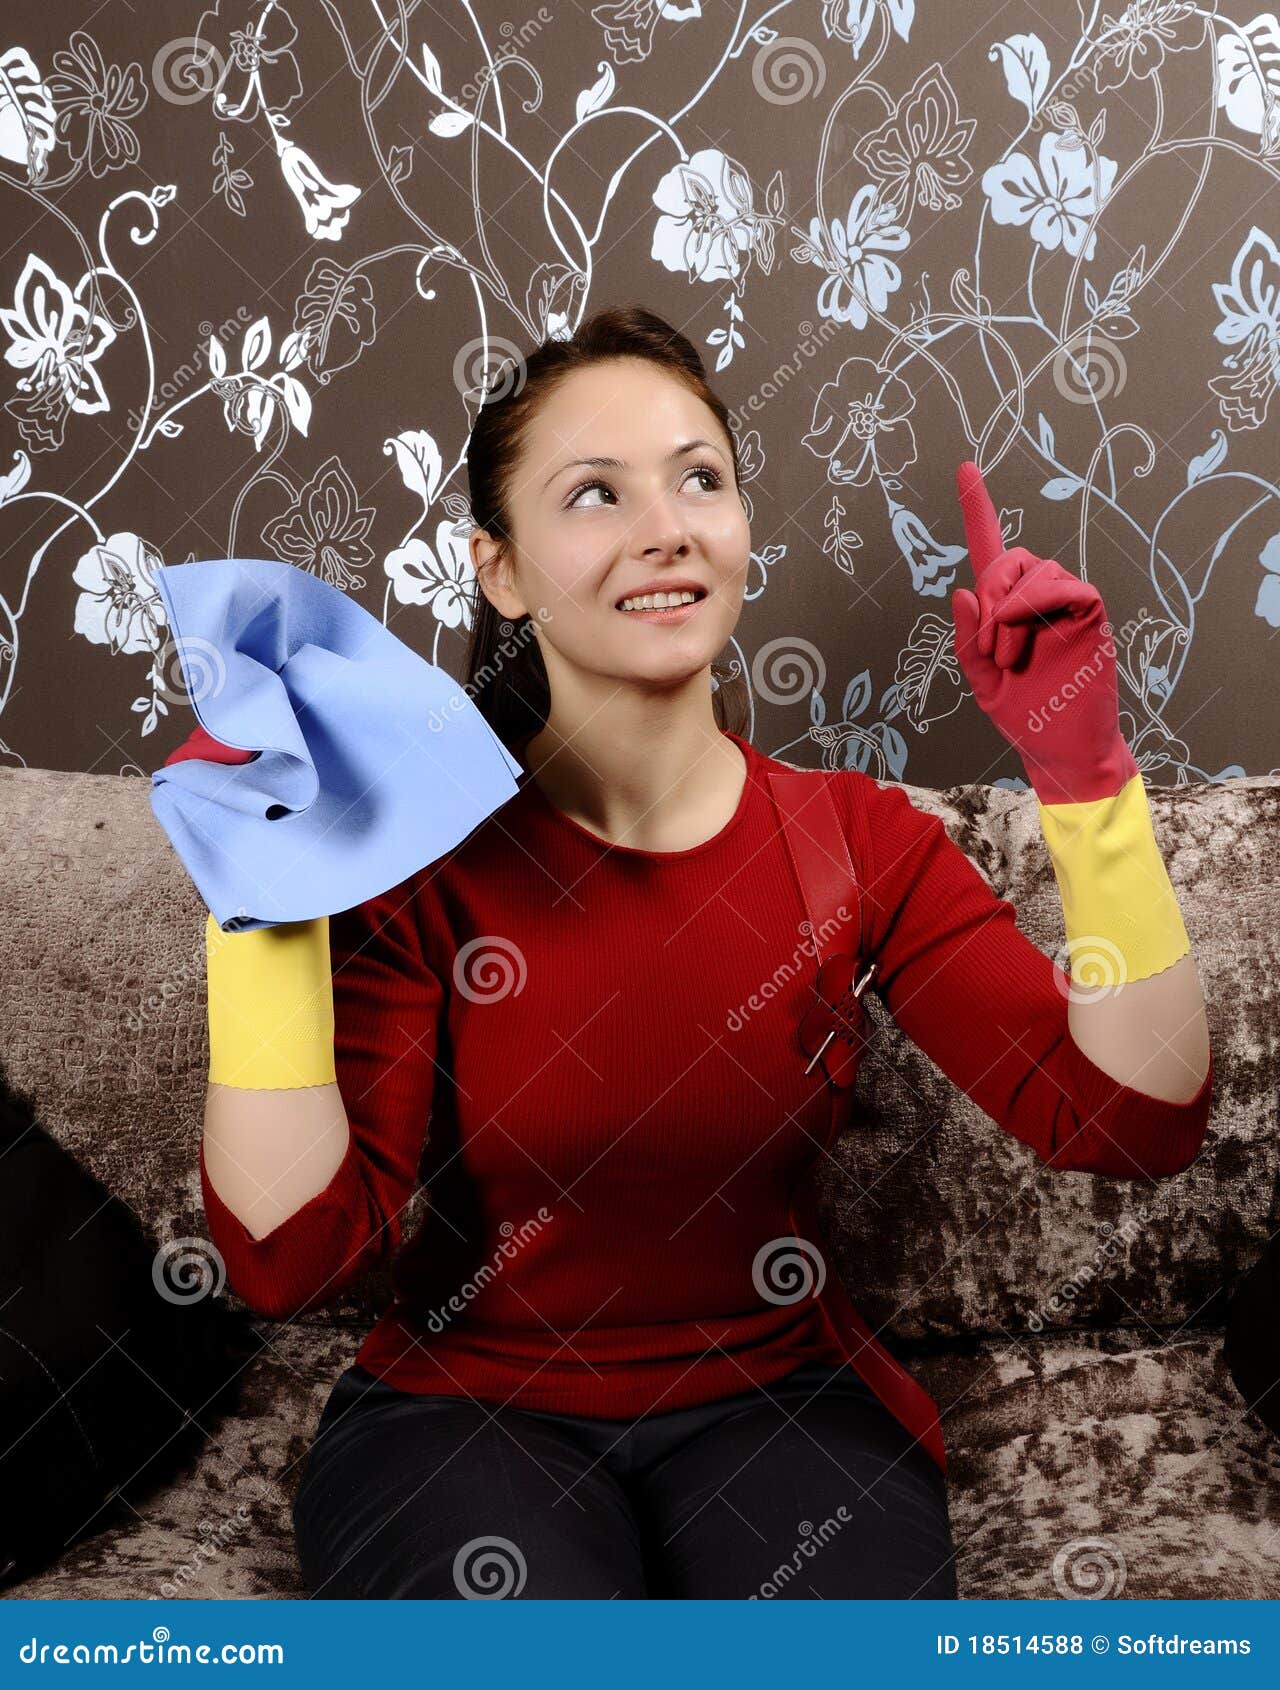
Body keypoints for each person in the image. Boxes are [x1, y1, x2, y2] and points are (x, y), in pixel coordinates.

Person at [173, 305, 1213, 1600]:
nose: (665, 525)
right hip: (465, 1414)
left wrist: (1082, 769)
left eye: (699, 479)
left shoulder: (860, 841)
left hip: (785, 1406)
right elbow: (290, 1256)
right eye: (595, 492)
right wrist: (261, 904)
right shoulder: (415, 858)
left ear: (741, 529)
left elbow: (1133, 1116)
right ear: (499, 569)